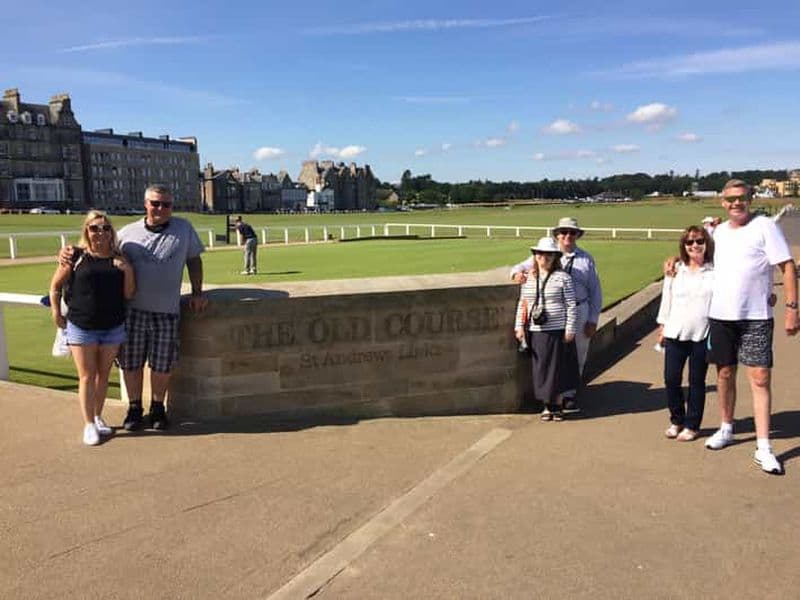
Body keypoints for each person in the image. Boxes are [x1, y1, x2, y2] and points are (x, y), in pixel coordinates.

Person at [59, 184, 208, 432]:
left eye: (166, 204)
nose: (160, 208)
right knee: (131, 363)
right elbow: (98, 246)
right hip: (132, 311)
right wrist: (68, 252)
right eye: (155, 203)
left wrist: (197, 291)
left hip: (167, 310)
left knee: (162, 364)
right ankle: (135, 408)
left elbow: (194, 260)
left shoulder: (184, 228)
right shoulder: (127, 233)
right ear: (146, 204)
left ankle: (158, 408)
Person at [702, 179, 797, 475]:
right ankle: (727, 427)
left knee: (759, 378)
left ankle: (764, 446)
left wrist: (792, 309)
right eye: (730, 199)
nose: (736, 203)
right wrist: (673, 264)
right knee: (725, 373)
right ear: (723, 202)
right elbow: (698, 259)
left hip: (756, 316)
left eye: (741, 198)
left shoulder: (765, 226)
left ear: (750, 198)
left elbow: (788, 267)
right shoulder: (717, 232)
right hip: (720, 315)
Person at [49, 211, 136, 445]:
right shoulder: (76, 256)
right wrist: (56, 312)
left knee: (103, 375)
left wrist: (126, 270)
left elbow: (129, 293)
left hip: (113, 326)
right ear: (86, 231)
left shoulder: (120, 258)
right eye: (94, 228)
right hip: (82, 326)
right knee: (87, 375)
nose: (100, 232)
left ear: (111, 232)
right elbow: (55, 287)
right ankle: (88, 424)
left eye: (105, 228)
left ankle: (98, 417)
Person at [511, 217, 602, 413]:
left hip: (579, 308)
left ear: (577, 235)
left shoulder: (586, 259)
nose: (568, 236)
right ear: (557, 235)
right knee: (558, 358)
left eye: (572, 232)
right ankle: (556, 398)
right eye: (564, 232)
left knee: (578, 354)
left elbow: (595, 291)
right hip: (552, 316)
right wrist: (516, 274)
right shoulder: (548, 253)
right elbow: (520, 268)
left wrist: (593, 319)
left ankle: (569, 395)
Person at [655, 225, 714, 442]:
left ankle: (692, 424)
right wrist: (662, 326)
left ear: (706, 243)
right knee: (671, 379)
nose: (695, 245)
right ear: (684, 246)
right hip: (675, 332)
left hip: (702, 333)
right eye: (689, 242)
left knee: (697, 381)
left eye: (699, 241)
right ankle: (677, 419)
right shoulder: (675, 269)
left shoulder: (715, 271)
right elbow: (667, 298)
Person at [514, 237, 578, 421]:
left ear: (555, 257)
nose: (544, 257)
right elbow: (523, 303)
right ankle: (546, 405)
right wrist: (519, 326)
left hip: (558, 328)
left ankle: (557, 404)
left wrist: (570, 328)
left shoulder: (563, 278)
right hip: (536, 330)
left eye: (549, 254)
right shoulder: (529, 279)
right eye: (540, 254)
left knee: (557, 368)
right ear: (535, 256)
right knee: (541, 367)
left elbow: (571, 305)